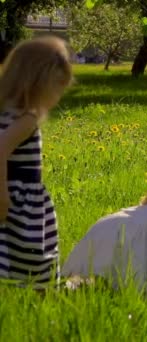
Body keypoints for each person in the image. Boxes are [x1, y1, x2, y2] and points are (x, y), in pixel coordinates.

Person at [0, 36, 73, 288]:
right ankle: (40, 295)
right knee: (32, 256)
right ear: (40, 83)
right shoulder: (26, 119)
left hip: (13, 191)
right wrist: (2, 193)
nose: (57, 97)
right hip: (20, 199)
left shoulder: (5, 112)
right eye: (58, 88)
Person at [62, 179, 147, 292]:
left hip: (106, 228)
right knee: (130, 275)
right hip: (129, 244)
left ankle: (94, 284)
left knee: (105, 269)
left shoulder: (137, 212)